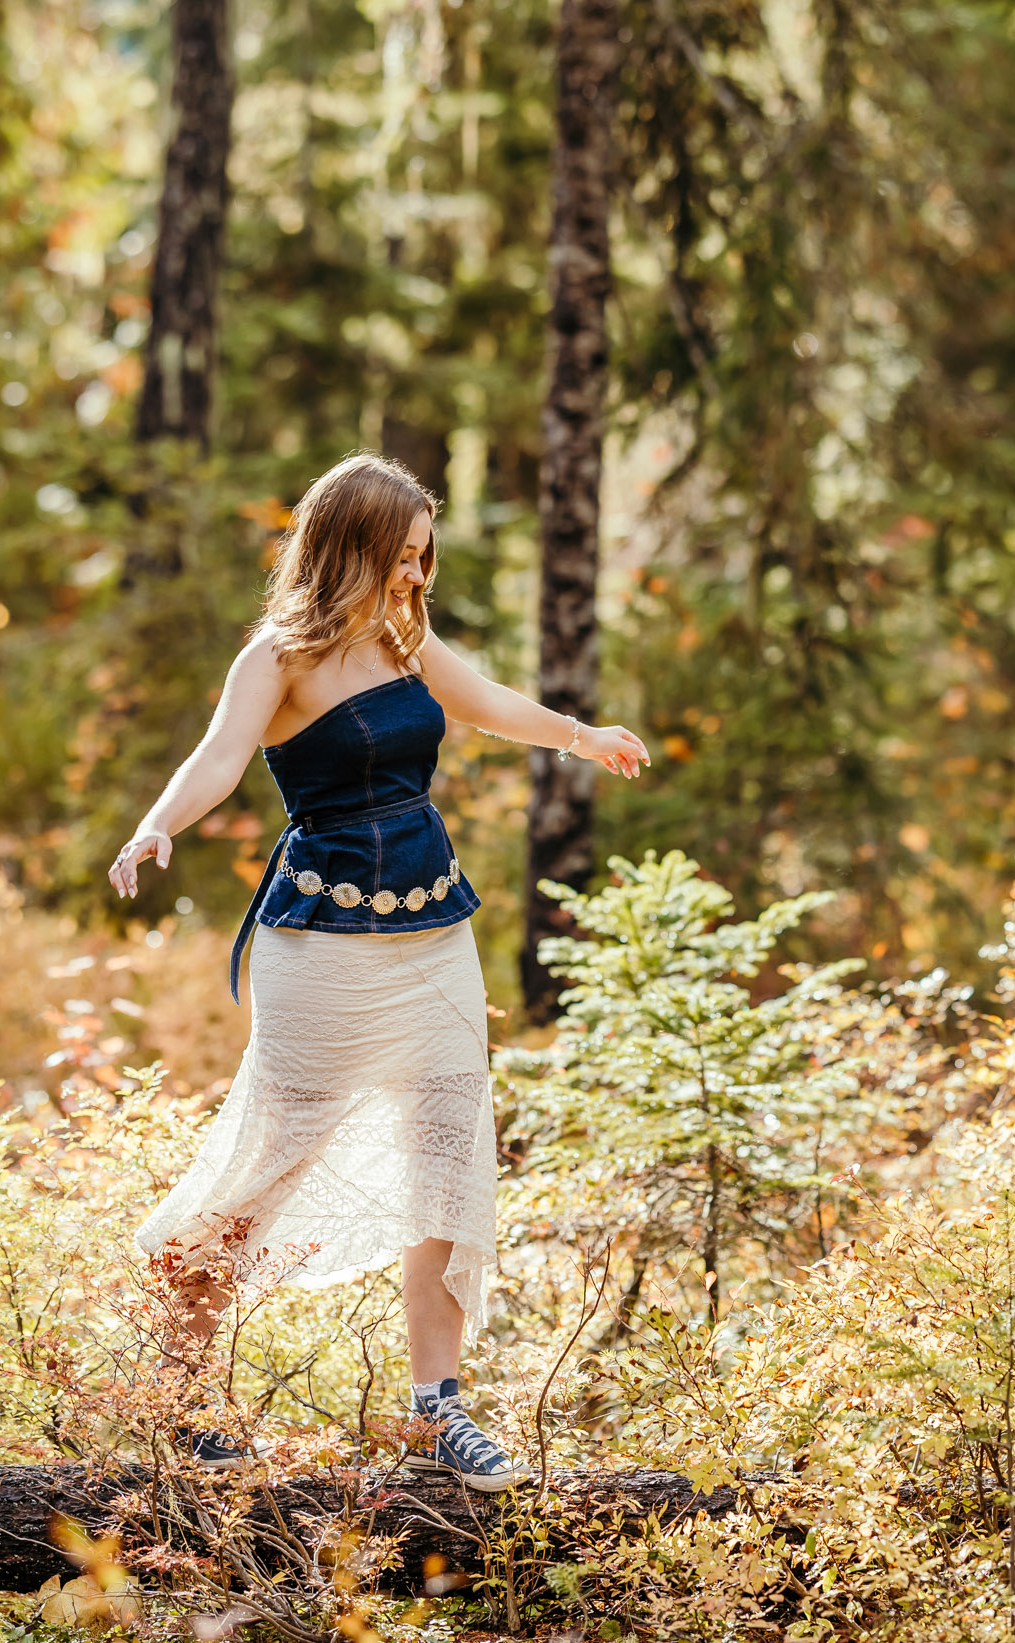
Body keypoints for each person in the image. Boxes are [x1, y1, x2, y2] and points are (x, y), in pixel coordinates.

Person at [105, 452, 650, 1489]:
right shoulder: (278, 654)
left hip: (433, 927)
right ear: (349, 544)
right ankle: (180, 1392)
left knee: (448, 1148)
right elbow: (218, 756)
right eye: (401, 555)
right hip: (318, 936)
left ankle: (437, 1407)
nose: (415, 575)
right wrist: (157, 823)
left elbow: (484, 702)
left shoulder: (405, 638)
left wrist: (581, 735)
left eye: (423, 557)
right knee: (275, 1152)